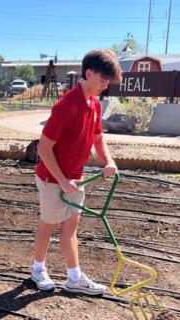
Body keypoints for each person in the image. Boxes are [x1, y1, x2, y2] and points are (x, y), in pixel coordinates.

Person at [28, 48, 122, 296]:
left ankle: (74, 278)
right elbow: (44, 148)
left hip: (76, 178)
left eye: (107, 82)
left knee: (70, 227)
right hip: (52, 179)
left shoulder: (94, 104)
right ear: (88, 74)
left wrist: (108, 160)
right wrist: (61, 180)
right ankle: (37, 269)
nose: (105, 86)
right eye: (103, 81)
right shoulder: (66, 106)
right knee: (48, 225)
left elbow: (98, 139)